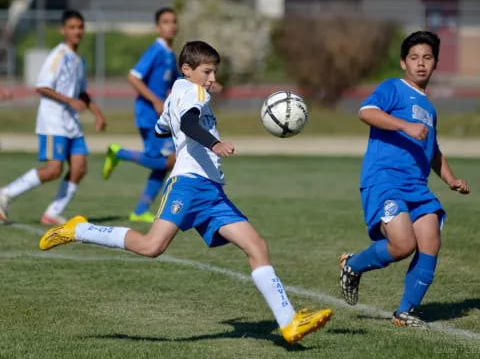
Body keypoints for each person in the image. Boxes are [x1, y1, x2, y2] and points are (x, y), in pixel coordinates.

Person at [39, 40, 333, 344]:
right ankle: (80, 229)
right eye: (207, 71)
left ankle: (290, 323)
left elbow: (160, 129)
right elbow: (189, 123)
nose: (211, 78)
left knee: (256, 245)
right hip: (188, 184)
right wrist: (214, 143)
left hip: (212, 191)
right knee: (151, 246)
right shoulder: (192, 92)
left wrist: (181, 119)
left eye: (214, 72)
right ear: (186, 70)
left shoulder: (179, 93)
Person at [339, 31, 469, 327]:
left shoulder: (430, 110)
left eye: (427, 58)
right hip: (384, 180)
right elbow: (366, 111)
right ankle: (352, 265)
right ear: (403, 63)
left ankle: (405, 312)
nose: (421, 64)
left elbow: (432, 150)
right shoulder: (393, 88)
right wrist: (405, 126)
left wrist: (450, 179)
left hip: (417, 187)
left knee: (431, 240)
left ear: (435, 63)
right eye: (414, 58)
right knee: (402, 244)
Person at [0, 10, 106, 224]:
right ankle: (5, 194)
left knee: (79, 167)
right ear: (63, 30)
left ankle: (52, 212)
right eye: (72, 27)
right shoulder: (58, 56)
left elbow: (81, 92)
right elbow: (42, 86)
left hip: (71, 123)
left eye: (80, 27)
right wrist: (69, 101)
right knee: (53, 170)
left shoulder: (79, 60)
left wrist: (97, 113)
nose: (77, 31)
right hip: (53, 122)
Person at [101, 7, 178, 224]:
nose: (171, 26)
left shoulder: (170, 54)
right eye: (165, 22)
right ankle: (118, 153)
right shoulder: (155, 50)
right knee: (164, 162)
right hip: (148, 114)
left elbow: (176, 81)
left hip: (161, 116)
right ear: (157, 27)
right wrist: (155, 100)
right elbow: (133, 77)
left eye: (173, 22)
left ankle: (140, 211)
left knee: (169, 161)